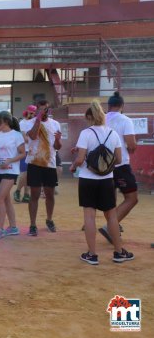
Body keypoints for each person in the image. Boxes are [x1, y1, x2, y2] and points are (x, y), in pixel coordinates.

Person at [70, 100, 134, 265]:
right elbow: (119, 159)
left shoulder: (86, 133)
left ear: (89, 117)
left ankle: (92, 254)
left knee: (89, 216)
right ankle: (119, 252)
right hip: (106, 179)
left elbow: (80, 159)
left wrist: (72, 166)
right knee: (111, 216)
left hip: (87, 179)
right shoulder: (113, 133)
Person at [100, 92, 138, 244]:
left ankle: (113, 227)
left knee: (109, 201)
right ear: (122, 106)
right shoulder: (125, 120)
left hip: (102, 167)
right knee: (132, 198)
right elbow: (132, 145)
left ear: (108, 106)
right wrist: (131, 149)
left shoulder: (101, 119)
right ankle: (111, 226)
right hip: (120, 165)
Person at [25, 100, 62, 236]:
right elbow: (33, 136)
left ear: (49, 110)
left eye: (45, 110)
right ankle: (33, 224)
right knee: (34, 194)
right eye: (40, 110)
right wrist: (38, 120)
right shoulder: (29, 123)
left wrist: (58, 140)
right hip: (34, 163)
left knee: (50, 194)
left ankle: (49, 219)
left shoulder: (55, 124)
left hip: (49, 163)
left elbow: (58, 147)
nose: (44, 112)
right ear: (36, 111)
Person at [0, 112, 25, 239]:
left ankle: (0, 228)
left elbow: (22, 153)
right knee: (6, 199)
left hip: (11, 170)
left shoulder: (16, 135)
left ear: (5, 121)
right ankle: (13, 227)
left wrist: (9, 161)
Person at [14, 106, 36, 203]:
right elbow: (25, 138)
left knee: (30, 174)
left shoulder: (36, 122)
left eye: (33, 112)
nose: (31, 114)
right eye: (30, 112)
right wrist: (35, 138)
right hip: (25, 150)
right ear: (26, 112)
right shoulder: (22, 123)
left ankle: (26, 194)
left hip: (33, 151)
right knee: (25, 172)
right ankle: (18, 190)